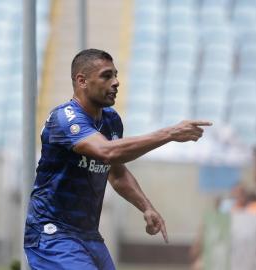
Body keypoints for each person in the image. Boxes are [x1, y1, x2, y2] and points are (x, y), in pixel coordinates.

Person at [24, 48, 212, 270]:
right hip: (53, 233)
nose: (116, 82)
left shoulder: (111, 120)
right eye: (106, 75)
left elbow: (117, 173)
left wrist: (146, 207)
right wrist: (169, 134)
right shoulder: (65, 118)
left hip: (88, 235)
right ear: (82, 81)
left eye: (115, 74)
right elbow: (108, 152)